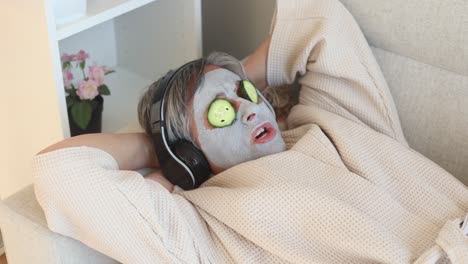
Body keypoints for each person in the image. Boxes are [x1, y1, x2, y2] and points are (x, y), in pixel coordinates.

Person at [33, 0, 468, 263]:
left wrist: (242, 80)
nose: (246, 108)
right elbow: (63, 172)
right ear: (190, 153)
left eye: (244, 92)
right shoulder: (203, 225)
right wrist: (161, 148)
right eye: (220, 111)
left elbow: (322, 17)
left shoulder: (320, 122)